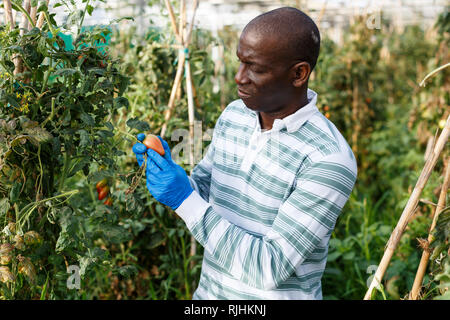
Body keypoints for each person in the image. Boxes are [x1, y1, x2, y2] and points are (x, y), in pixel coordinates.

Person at [132, 7, 357, 300]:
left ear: (299, 73)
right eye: (240, 63)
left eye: (255, 68)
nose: (239, 78)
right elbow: (204, 194)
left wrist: (183, 199)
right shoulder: (235, 115)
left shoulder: (328, 159)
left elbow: (268, 268)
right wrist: (171, 175)